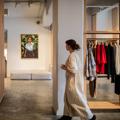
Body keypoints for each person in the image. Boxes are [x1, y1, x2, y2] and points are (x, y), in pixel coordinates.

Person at [59, 39, 96, 120]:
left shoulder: (72, 56)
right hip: (74, 81)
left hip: (73, 82)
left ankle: (90, 116)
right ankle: (67, 116)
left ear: (69, 46)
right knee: (68, 99)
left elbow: (74, 70)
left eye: (66, 45)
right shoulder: (75, 54)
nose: (65, 46)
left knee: (76, 100)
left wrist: (64, 67)